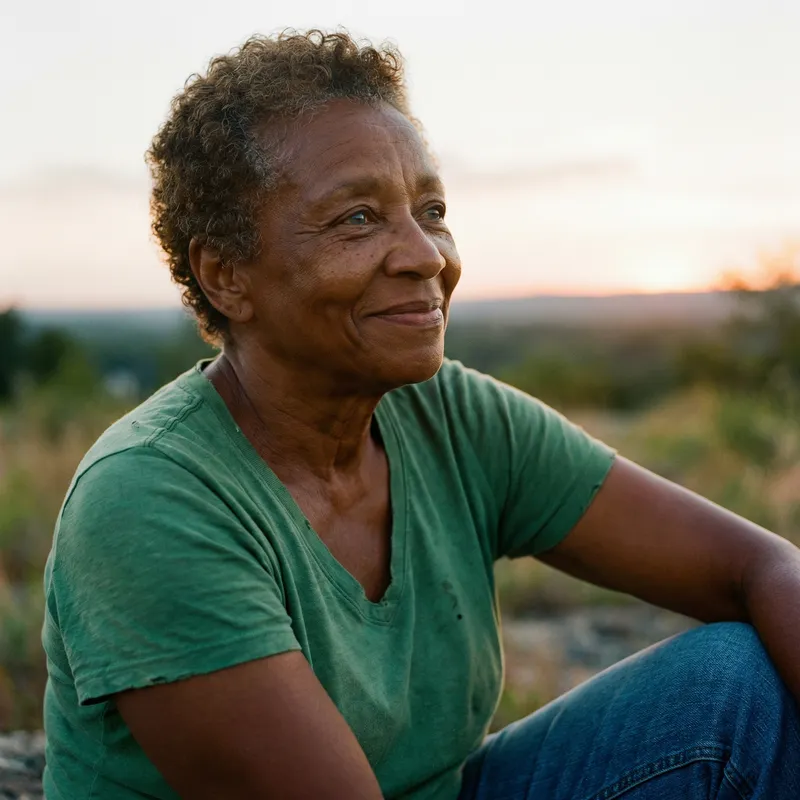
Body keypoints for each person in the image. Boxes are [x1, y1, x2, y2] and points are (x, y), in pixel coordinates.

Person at [42, 30, 800, 800]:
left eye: (431, 209)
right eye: (358, 219)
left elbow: (759, 568)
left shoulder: (446, 415)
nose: (427, 254)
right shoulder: (148, 501)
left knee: (731, 682)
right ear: (226, 274)